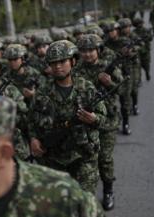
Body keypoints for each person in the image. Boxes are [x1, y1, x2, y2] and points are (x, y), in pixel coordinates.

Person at [29, 40, 107, 194]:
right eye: (53, 63)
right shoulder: (42, 92)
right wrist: (33, 139)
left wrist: (94, 119)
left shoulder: (87, 88)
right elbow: (32, 120)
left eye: (62, 61)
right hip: (54, 158)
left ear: (73, 61)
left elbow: (103, 118)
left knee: (84, 202)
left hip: (84, 155)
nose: (58, 66)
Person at [74, 34, 124, 210]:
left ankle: (109, 190)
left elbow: (123, 89)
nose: (87, 54)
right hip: (84, 121)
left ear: (98, 50)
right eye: (83, 51)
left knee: (104, 158)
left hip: (107, 121)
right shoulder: (76, 70)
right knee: (86, 161)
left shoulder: (106, 67)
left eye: (90, 50)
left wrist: (110, 83)